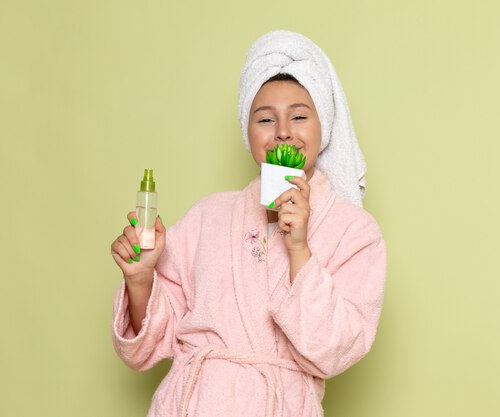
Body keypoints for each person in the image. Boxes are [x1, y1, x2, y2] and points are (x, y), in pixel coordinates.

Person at [109, 30, 387, 417]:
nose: (283, 131)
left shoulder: (354, 232)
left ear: (323, 126)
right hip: (191, 404)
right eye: (265, 119)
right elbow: (149, 346)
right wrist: (140, 281)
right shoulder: (208, 215)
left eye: (300, 116)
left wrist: (299, 249)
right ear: (248, 131)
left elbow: (337, 348)